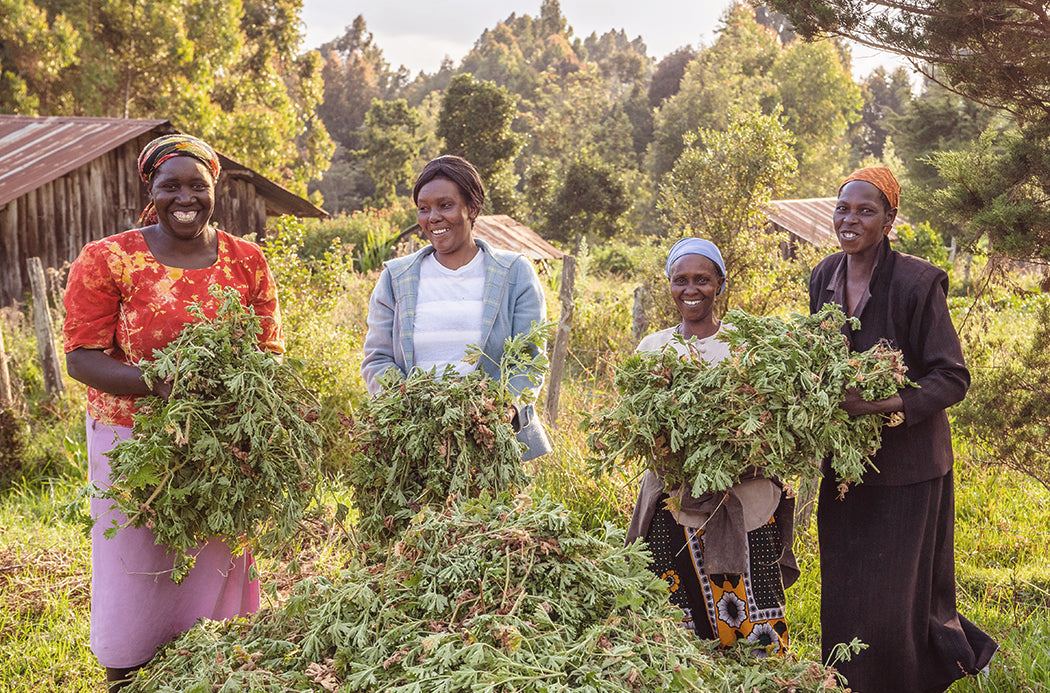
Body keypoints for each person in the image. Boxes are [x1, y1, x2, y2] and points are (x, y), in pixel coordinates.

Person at [63, 134, 283, 691]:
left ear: (216, 190)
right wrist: (156, 384)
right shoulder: (109, 258)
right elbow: (81, 357)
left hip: (221, 442)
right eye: (171, 185)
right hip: (132, 439)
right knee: (134, 560)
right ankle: (126, 673)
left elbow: (268, 350)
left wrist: (255, 411)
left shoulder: (247, 261)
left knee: (213, 554)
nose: (185, 197)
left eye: (197, 186)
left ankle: (211, 668)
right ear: (150, 190)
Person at [809, 166, 997, 691]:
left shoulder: (918, 282)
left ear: (889, 219)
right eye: (844, 207)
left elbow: (951, 377)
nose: (851, 219)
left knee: (897, 599)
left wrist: (876, 404)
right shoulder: (824, 276)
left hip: (911, 468)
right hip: (847, 469)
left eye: (866, 210)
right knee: (845, 592)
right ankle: (845, 683)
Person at [627, 237, 798, 654]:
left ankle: (760, 671)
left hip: (744, 499)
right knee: (676, 604)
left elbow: (772, 418)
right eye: (680, 280)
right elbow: (636, 422)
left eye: (702, 279)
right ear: (668, 283)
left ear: (720, 283)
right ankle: (691, 669)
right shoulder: (653, 347)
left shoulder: (747, 343)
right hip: (674, 497)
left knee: (750, 599)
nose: (691, 289)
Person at [360, 155, 550, 461]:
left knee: (488, 510)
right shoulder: (396, 278)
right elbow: (378, 359)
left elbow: (529, 360)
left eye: (445, 205)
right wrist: (409, 411)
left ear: (472, 208)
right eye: (424, 208)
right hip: (413, 443)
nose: (432, 217)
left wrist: (500, 411)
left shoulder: (514, 273)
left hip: (490, 443)